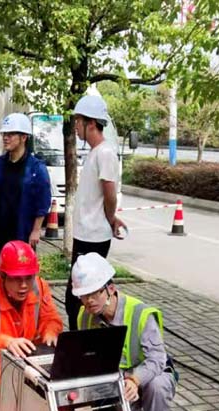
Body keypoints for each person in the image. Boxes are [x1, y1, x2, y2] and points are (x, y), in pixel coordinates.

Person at [71, 253, 177, 411]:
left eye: (94, 293)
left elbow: (157, 358)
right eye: (83, 296)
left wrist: (135, 379)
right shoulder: (85, 316)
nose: (89, 301)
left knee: (157, 387)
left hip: (150, 373)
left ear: (110, 288)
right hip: (117, 377)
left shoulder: (140, 314)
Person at [0, 241, 62, 407]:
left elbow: (50, 317)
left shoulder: (40, 286)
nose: (23, 285)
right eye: (16, 279)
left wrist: (51, 332)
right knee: (7, 399)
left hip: (29, 356)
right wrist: (8, 342)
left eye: (28, 278)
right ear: (3, 276)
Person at [65, 94, 127, 328]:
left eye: (78, 121)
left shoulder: (105, 153)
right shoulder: (96, 152)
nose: (76, 127)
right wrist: (111, 217)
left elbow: (110, 193)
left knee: (81, 298)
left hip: (93, 237)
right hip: (85, 234)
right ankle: (84, 339)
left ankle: (84, 342)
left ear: (91, 123)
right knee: (77, 298)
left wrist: (110, 218)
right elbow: (99, 197)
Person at [0, 113, 51, 259]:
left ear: (24, 137)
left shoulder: (36, 168)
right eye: (4, 134)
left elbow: (42, 201)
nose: (5, 138)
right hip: (1, 232)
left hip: (23, 231)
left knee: (21, 270)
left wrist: (36, 230)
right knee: (3, 268)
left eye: (10, 134)